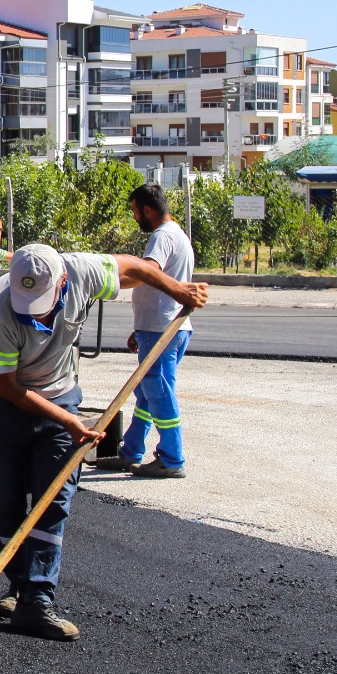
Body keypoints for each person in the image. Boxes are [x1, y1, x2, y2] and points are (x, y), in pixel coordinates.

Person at [0, 243, 209, 640]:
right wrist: (72, 422)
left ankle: (37, 601)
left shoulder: (82, 271)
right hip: (3, 402)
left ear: (63, 282)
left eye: (42, 301)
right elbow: (9, 388)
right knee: (7, 498)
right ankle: (18, 583)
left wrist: (177, 291)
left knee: (54, 498)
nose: (35, 310)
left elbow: (137, 268)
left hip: (59, 392)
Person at [92, 184, 195, 478]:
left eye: (136, 212)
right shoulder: (178, 234)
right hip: (161, 327)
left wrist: (110, 279)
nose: (135, 217)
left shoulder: (161, 237)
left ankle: (172, 459)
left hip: (162, 329)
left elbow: (147, 271)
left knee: (159, 393)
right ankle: (130, 452)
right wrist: (140, 330)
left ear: (147, 210)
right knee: (147, 394)